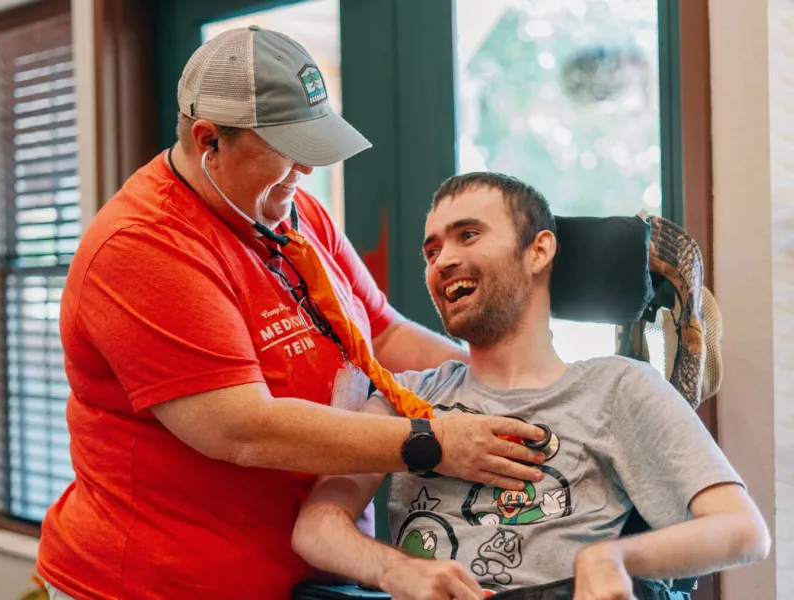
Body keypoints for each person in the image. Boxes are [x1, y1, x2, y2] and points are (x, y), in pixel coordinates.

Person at [35, 28, 548, 600]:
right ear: (210, 141)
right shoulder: (143, 248)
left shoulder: (292, 209)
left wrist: (516, 384)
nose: (306, 172)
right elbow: (241, 429)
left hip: (300, 577)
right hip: (159, 584)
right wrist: (435, 440)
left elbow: (382, 334)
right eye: (288, 151)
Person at [291, 173, 771, 600]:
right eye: (432, 250)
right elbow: (315, 527)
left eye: (468, 235)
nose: (443, 261)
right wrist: (398, 571)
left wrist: (612, 560)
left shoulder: (619, 388)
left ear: (538, 250)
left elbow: (744, 530)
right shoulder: (406, 398)